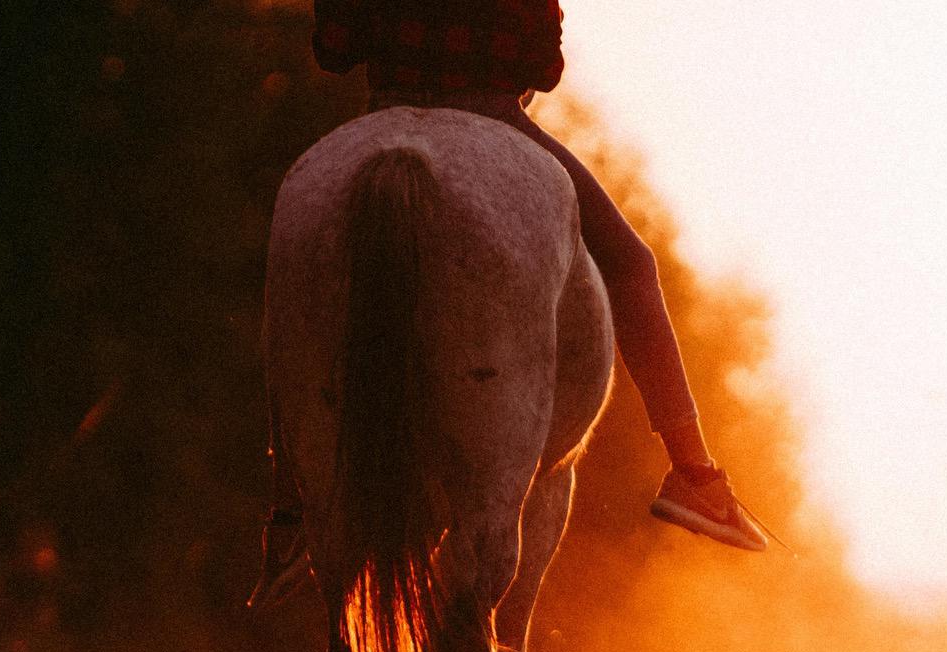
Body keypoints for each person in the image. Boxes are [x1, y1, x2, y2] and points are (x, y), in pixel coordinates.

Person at [250, 0, 770, 606]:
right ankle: (694, 473)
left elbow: (333, 47)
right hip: (494, 116)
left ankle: (291, 504)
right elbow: (544, 66)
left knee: (292, 275)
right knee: (633, 266)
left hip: (384, 107)